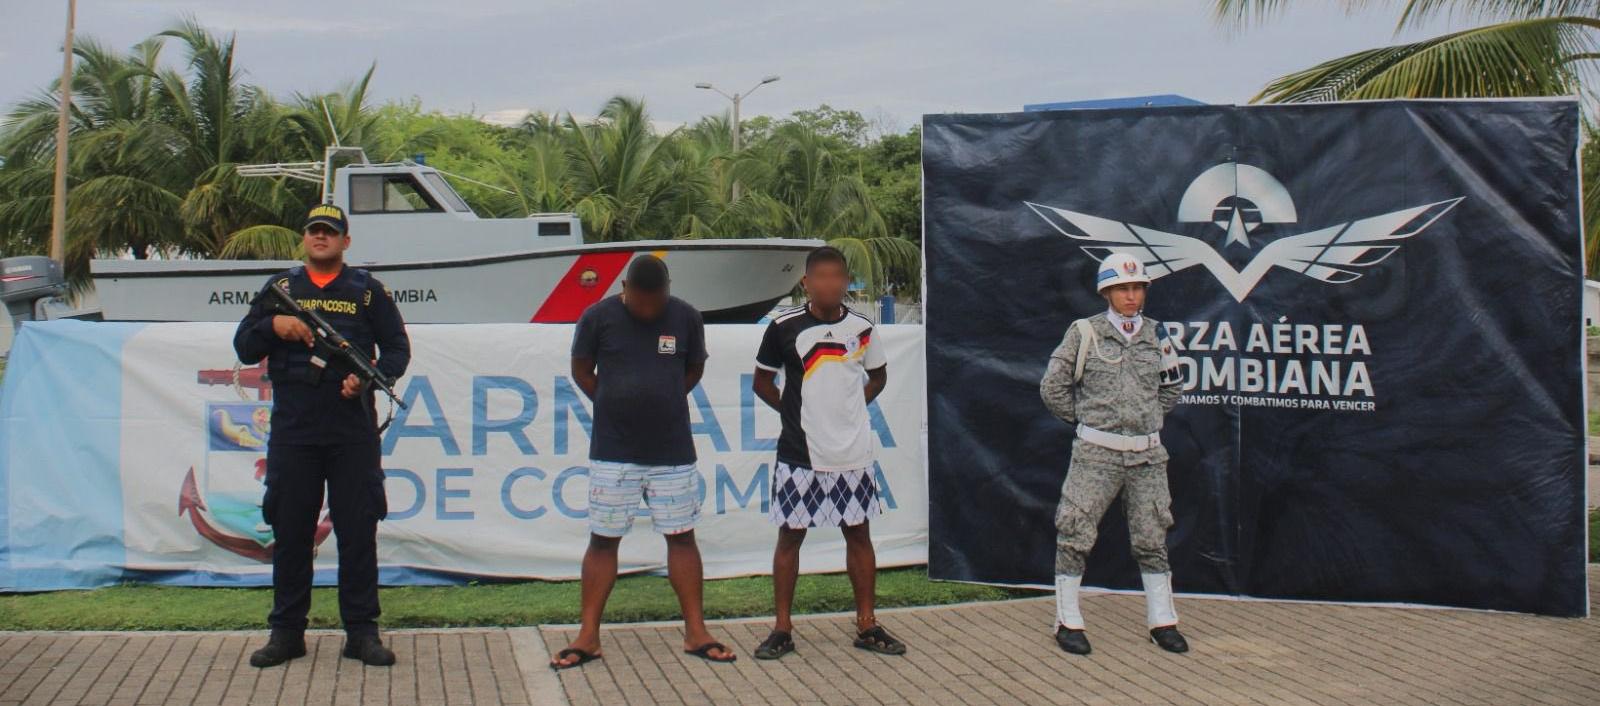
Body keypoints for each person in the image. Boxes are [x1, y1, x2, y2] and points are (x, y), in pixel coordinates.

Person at [234, 203, 411, 668]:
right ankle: (287, 632)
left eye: (330, 232)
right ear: (304, 238)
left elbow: (396, 349)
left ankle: (361, 632)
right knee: (291, 532)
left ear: (345, 242)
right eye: (314, 230)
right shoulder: (280, 289)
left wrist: (368, 378)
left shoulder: (368, 292)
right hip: (294, 431)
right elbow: (244, 345)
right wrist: (275, 324)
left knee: (358, 532)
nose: (321, 237)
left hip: (351, 430)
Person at [550, 255, 737, 670]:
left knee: (682, 536)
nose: (649, 308)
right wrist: (613, 401)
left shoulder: (686, 316)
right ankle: (588, 636)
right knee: (603, 539)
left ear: (667, 289)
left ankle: (695, 632)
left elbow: (694, 369)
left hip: (672, 451)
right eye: (641, 300)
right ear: (625, 288)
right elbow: (581, 370)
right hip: (613, 451)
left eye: (657, 299)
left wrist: (663, 399)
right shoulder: (597, 317)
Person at [750, 246, 906, 661]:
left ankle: (867, 625)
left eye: (837, 277)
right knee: (790, 537)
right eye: (821, 278)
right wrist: (797, 413)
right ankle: (782, 629)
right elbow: (762, 384)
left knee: (859, 534)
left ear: (845, 281)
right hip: (800, 453)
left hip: (852, 453)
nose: (829, 285)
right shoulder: (783, 328)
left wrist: (850, 409)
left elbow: (879, 376)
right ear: (806, 283)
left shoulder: (863, 327)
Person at [1038, 252, 1188, 656]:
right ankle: (1067, 620)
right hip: (1096, 455)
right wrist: (1087, 423)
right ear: (1107, 291)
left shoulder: (1158, 335)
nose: (1131, 295)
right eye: (1123, 288)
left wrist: (1146, 417)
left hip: (1147, 457)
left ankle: (1162, 621)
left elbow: (1172, 387)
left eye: (1137, 287)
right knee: (1075, 532)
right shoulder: (1084, 332)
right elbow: (1053, 387)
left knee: (1152, 537)